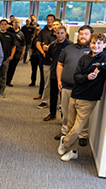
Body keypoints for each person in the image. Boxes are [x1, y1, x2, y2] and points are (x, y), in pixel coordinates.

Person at [58, 32, 106, 161]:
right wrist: (87, 77)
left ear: (104, 45)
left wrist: (99, 68)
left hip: (88, 99)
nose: (96, 46)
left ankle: (65, 141)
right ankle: (73, 151)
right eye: (93, 43)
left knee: (77, 128)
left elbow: (103, 66)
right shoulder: (84, 58)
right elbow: (76, 77)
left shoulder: (104, 58)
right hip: (75, 94)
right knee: (70, 125)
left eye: (99, 43)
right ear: (90, 44)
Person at [55, 25, 93, 144]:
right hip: (66, 85)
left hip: (83, 87)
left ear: (91, 35)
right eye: (81, 34)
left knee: (81, 113)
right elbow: (60, 64)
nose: (83, 36)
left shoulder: (94, 51)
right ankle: (65, 131)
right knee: (65, 111)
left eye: (86, 34)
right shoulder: (68, 49)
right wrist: (59, 80)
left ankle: (83, 134)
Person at [43, 26, 73, 122]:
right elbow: (51, 58)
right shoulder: (52, 45)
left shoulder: (71, 45)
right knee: (53, 95)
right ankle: (52, 114)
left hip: (65, 76)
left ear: (65, 33)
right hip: (54, 73)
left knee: (64, 99)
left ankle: (64, 117)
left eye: (62, 33)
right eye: (58, 33)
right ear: (55, 33)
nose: (60, 35)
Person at [36, 17, 60, 110]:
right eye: (54, 24)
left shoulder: (65, 36)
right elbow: (45, 47)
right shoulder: (46, 34)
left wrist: (49, 46)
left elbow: (49, 47)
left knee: (59, 84)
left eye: (57, 24)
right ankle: (45, 101)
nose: (55, 26)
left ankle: (58, 104)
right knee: (47, 83)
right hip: (47, 62)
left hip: (60, 64)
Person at [33, 14, 55, 101]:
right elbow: (38, 43)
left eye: (51, 20)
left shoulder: (56, 32)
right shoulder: (43, 32)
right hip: (43, 57)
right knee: (43, 76)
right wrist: (42, 52)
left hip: (54, 58)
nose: (49, 21)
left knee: (52, 77)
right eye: (48, 20)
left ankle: (50, 95)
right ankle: (41, 93)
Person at [0, 19, 16, 98]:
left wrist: (11, 56)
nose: (3, 26)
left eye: (5, 24)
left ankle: (2, 90)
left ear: (7, 25)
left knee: (3, 76)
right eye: (2, 24)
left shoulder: (11, 35)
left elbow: (13, 46)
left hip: (6, 58)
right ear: (0, 25)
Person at [6, 18, 25, 87]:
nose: (16, 24)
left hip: (17, 54)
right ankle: (1, 81)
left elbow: (23, 45)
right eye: (15, 22)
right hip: (8, 52)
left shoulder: (21, 34)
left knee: (12, 68)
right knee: (5, 67)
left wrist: (23, 53)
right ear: (12, 23)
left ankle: (8, 81)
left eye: (18, 22)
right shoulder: (8, 31)